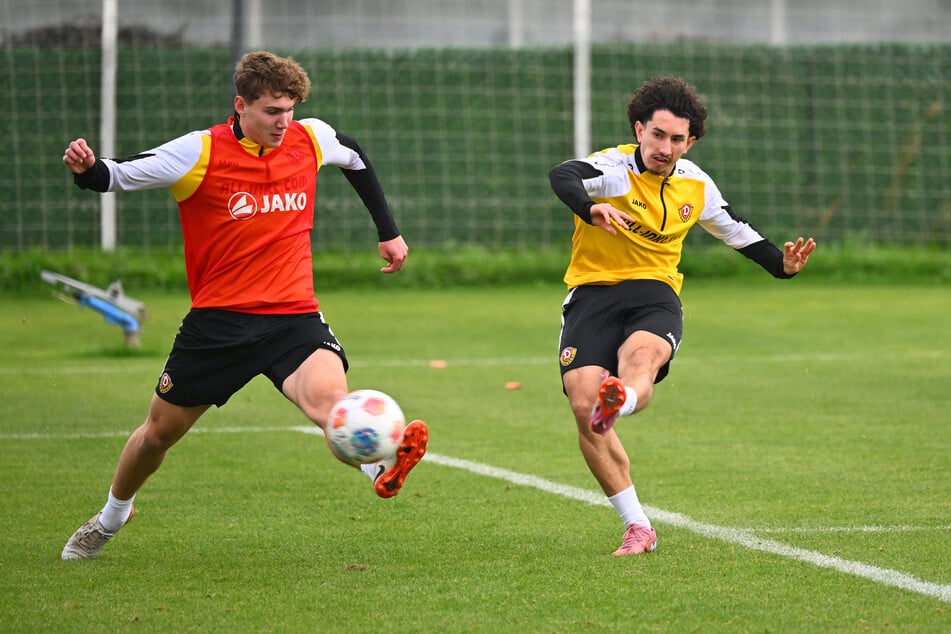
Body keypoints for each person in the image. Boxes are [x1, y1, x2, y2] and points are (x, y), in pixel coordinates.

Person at [60, 51, 429, 560]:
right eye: (273, 111)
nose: (284, 121)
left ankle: (383, 465)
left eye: (290, 109)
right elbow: (117, 176)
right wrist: (88, 168)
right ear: (241, 105)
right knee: (158, 436)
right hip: (218, 325)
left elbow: (355, 154)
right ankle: (111, 517)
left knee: (331, 406)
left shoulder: (309, 137)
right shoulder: (199, 152)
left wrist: (388, 231)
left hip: (293, 316)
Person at [548, 76, 816, 556]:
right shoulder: (611, 168)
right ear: (639, 129)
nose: (665, 147)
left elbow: (737, 231)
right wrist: (592, 211)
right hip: (591, 294)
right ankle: (638, 526)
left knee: (642, 357)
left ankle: (623, 400)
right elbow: (561, 176)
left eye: (676, 139)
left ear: (689, 142)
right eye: (657, 135)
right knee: (582, 407)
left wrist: (783, 265)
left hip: (654, 293)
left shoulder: (696, 183)